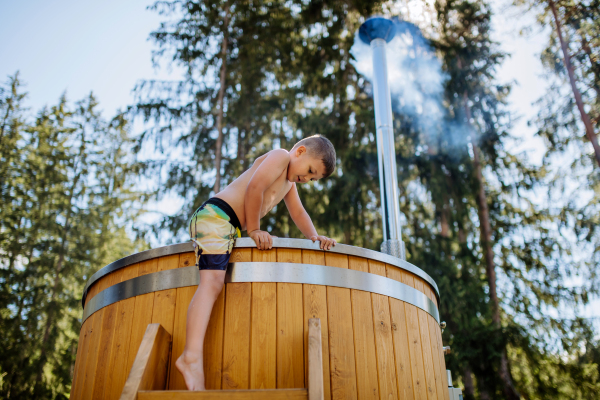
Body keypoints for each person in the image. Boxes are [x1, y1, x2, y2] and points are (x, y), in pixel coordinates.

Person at [175, 134, 338, 390]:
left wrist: (315, 237)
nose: (307, 178)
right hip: (216, 215)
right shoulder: (281, 156)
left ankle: (191, 357)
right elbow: (254, 188)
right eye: (309, 170)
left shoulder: (289, 184)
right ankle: (190, 356)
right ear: (300, 151)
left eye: (313, 178)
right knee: (212, 283)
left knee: (216, 283)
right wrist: (254, 230)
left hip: (228, 226)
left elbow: (298, 212)